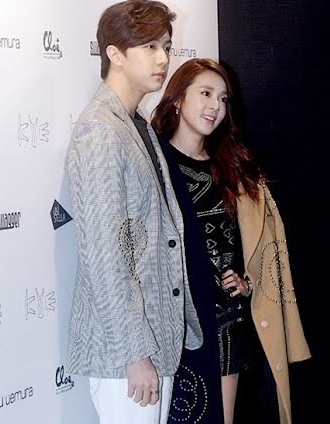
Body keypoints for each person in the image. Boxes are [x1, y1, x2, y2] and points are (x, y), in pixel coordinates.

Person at [64, 1, 203, 422]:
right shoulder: (100, 131)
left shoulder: (136, 123)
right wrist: (134, 353)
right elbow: (103, 255)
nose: (163, 59)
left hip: (153, 340)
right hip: (125, 353)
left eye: (166, 47)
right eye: (149, 47)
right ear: (115, 54)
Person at [151, 58, 311, 424]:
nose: (216, 107)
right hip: (172, 322)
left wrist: (247, 282)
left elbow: (259, 251)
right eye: (206, 94)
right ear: (178, 98)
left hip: (224, 322)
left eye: (223, 99)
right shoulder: (156, 164)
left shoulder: (234, 169)